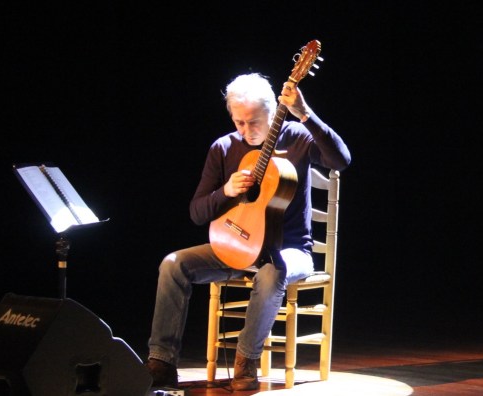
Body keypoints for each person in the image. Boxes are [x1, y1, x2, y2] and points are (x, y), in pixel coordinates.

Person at [145, 72, 351, 390]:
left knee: (272, 272)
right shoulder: (223, 148)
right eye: (239, 122)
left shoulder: (297, 136)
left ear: (273, 112)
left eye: (253, 122)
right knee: (174, 264)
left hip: (291, 250)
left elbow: (341, 159)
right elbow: (197, 213)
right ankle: (161, 362)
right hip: (238, 246)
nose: (246, 130)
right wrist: (225, 191)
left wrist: (305, 113)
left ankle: (246, 360)